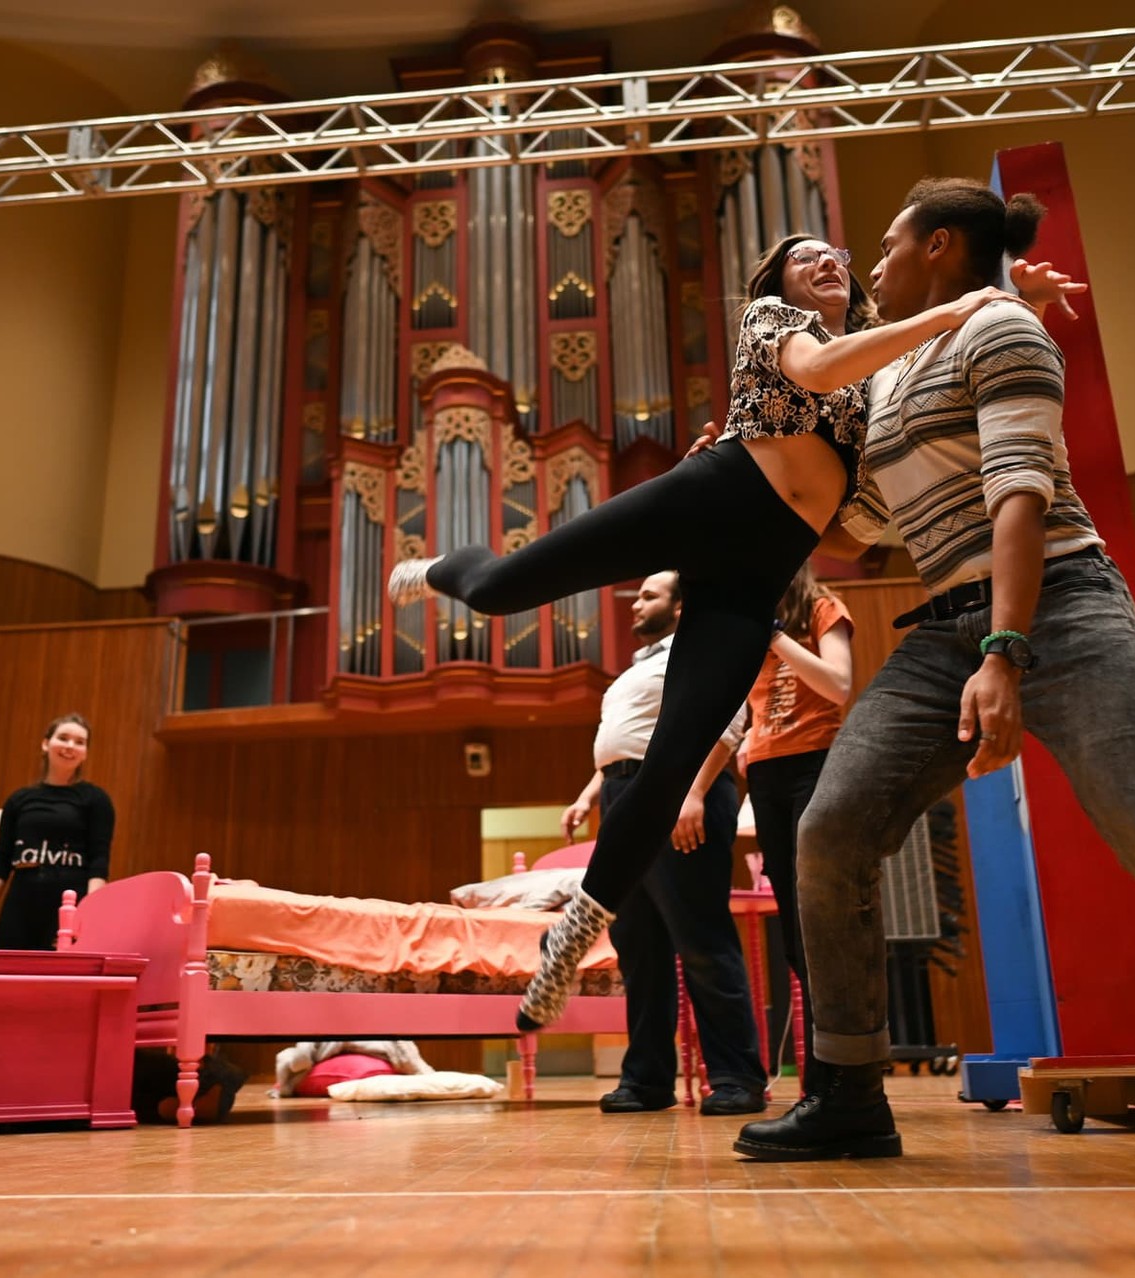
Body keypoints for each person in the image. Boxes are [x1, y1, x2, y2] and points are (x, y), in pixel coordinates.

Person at [732, 177, 1135, 1183]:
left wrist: (1006, 651)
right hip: (944, 626)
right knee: (830, 831)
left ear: (940, 246)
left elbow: (1021, 497)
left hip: (1062, 609)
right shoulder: (898, 371)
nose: (874, 262)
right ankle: (850, 1097)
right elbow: (858, 528)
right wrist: (740, 476)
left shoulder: (999, 329)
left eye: (890, 242)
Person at [389, 239, 1033, 1036]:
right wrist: (959, 305)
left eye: (836, 254)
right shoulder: (773, 319)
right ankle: (452, 566)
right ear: (779, 282)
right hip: (710, 496)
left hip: (760, 568)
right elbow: (819, 372)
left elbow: (851, 534)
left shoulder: (879, 377)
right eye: (804, 259)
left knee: (675, 761)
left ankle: (577, 929)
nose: (825, 261)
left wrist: (1007, 293)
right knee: (499, 589)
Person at [560, 571, 768, 1116]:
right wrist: (590, 794)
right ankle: (648, 1080)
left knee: (701, 940)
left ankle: (736, 1078)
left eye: (649, 595)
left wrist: (693, 796)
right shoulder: (642, 663)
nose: (636, 603)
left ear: (681, 607)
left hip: (679, 796)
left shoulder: (701, 648)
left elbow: (730, 719)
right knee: (639, 949)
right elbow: (627, 739)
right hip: (625, 795)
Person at [740, 563, 854, 1089]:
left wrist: (776, 637)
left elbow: (838, 685)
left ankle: (838, 1070)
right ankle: (819, 1076)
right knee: (792, 927)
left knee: (817, 917)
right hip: (765, 772)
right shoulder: (756, 617)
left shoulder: (821, 607)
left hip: (816, 760)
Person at [0, 714, 113, 951]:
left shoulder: (96, 800)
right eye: (63, 738)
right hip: (20, 902)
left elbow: (99, 862)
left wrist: (87, 915)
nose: (71, 746)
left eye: (80, 742)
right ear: (45, 743)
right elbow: (0, 861)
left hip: (68, 907)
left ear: (85, 753)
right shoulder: (19, 800)